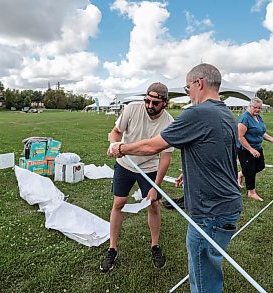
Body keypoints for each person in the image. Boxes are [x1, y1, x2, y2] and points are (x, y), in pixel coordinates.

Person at [109, 63, 242, 292]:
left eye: (188, 87)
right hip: (228, 206)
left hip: (209, 211)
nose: (188, 92)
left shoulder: (197, 112)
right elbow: (218, 153)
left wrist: (120, 148)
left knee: (202, 280)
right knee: (209, 270)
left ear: (198, 83)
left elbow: (153, 148)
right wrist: (187, 174)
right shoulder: (227, 114)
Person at [100, 82, 174, 273]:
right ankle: (112, 248)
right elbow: (115, 133)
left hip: (149, 168)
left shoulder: (169, 123)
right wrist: (113, 145)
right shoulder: (132, 108)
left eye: (155, 103)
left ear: (165, 103)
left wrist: (155, 186)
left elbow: (165, 158)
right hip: (125, 165)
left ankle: (155, 245)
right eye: (147, 101)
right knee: (119, 203)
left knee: (153, 204)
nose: (150, 106)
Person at [236, 97, 273, 202]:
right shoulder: (244, 118)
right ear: (250, 106)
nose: (257, 110)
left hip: (257, 147)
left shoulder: (258, 117)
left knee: (260, 166)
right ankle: (251, 192)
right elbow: (240, 136)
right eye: (255, 107)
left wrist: (272, 139)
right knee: (250, 171)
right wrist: (250, 149)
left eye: (259, 108)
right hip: (245, 149)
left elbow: (261, 131)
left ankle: (241, 174)